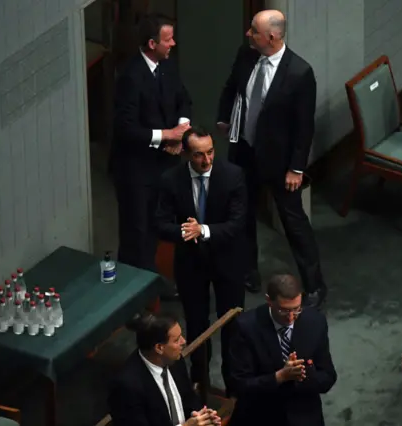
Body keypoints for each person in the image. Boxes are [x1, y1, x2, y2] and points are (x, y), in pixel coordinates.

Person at [216, 9, 326, 306]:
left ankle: (314, 285)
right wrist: (224, 119)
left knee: (294, 223)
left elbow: (305, 126)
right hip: (245, 152)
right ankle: (248, 270)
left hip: (280, 164)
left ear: (272, 37)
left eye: (253, 30)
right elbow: (231, 87)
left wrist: (296, 168)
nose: (247, 34)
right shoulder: (246, 54)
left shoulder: (300, 73)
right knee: (242, 214)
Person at [155, 126, 246, 392]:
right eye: (198, 155)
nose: (206, 161)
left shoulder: (233, 176)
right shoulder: (171, 180)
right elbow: (160, 223)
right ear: (185, 154)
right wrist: (186, 230)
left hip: (227, 260)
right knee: (196, 324)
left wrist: (203, 230)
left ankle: (233, 383)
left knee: (231, 323)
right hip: (191, 263)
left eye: (210, 153)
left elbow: (237, 223)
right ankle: (200, 382)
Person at [111, 14, 192, 271]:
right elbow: (126, 129)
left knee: (163, 225)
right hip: (136, 171)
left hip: (165, 165)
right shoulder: (130, 77)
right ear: (151, 44)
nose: (173, 44)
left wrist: (180, 130)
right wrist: (166, 136)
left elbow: (184, 99)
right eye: (168, 40)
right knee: (138, 234)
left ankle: (157, 282)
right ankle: (137, 297)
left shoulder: (168, 66)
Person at [228, 274, 336, 426]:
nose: (291, 317)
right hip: (260, 414)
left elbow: (328, 377)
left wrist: (305, 375)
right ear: (269, 301)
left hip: (304, 413)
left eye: (296, 310)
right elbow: (239, 385)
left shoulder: (315, 322)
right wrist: (279, 377)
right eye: (284, 311)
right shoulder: (246, 327)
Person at [108, 312, 222, 426]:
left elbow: (188, 398)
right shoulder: (126, 387)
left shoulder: (174, 360)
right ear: (159, 348)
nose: (184, 341)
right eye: (176, 340)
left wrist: (203, 416)